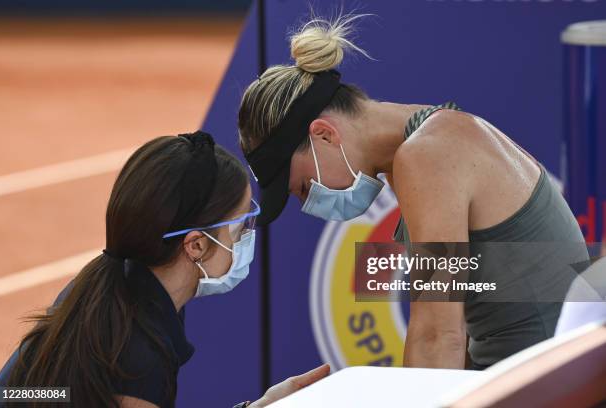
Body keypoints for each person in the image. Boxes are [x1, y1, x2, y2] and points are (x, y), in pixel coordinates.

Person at [237, 14, 587, 370]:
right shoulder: (434, 137)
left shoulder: (427, 155)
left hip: (543, 384)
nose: (309, 203)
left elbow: (439, 336)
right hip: (537, 375)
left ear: (325, 135)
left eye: (303, 188)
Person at [0, 131, 328, 408]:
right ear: (195, 245)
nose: (247, 237)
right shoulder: (139, 359)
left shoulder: (113, 281)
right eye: (241, 225)